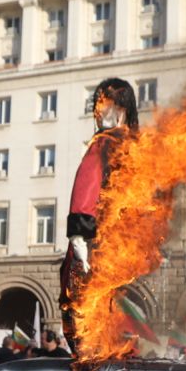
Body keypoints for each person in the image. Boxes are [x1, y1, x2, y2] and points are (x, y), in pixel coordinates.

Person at [60, 78, 138, 355]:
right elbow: (87, 185)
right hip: (99, 244)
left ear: (123, 109)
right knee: (93, 314)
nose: (102, 113)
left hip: (108, 246)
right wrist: (80, 235)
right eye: (99, 107)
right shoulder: (113, 144)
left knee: (92, 315)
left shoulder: (109, 144)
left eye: (110, 106)